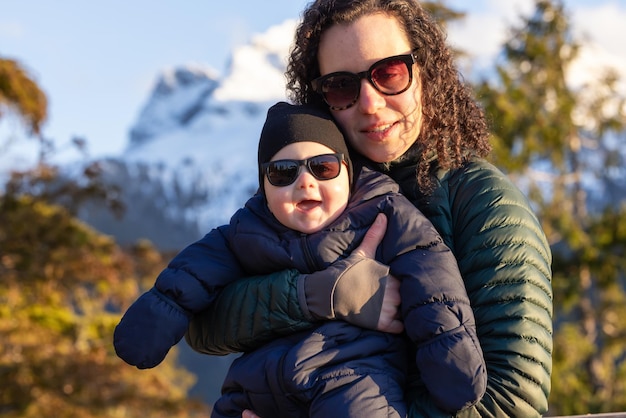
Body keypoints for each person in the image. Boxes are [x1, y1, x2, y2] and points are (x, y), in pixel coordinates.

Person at [186, 1, 553, 417]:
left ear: (425, 73)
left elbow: (511, 401)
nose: (370, 102)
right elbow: (202, 323)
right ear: (321, 99)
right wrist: (319, 295)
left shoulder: (483, 202)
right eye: (342, 86)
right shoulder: (310, 192)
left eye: (389, 73)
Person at [113, 101, 486, 417]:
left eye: (322, 167)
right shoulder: (246, 231)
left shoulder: (384, 213)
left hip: (352, 373)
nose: (304, 182)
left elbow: (431, 277)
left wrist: (450, 358)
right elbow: (190, 277)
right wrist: (156, 318)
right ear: (264, 187)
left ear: (348, 173)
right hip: (257, 383)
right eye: (283, 172)